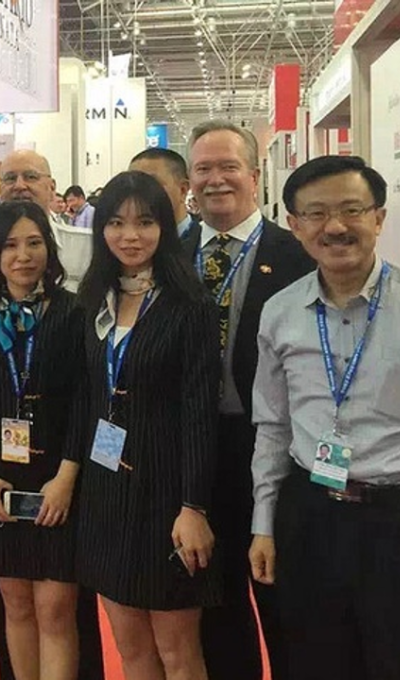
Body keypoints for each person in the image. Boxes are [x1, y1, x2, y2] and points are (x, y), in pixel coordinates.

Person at [250, 155, 400, 680]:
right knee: (314, 660)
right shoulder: (281, 311)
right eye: (316, 214)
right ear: (294, 226)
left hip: (391, 516)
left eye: (351, 210)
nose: (335, 227)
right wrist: (263, 525)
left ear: (378, 217)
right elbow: (273, 426)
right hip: (310, 514)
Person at [72, 170, 221, 680]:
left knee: (178, 653)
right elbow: (87, 397)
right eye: (116, 222)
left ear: (166, 227)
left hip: (167, 497)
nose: (130, 235)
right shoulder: (94, 300)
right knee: (131, 647)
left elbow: (199, 411)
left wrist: (193, 506)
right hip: (105, 492)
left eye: (145, 222)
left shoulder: (190, 306)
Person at [184, 120, 314, 680]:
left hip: (272, 448)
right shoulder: (171, 254)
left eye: (228, 166)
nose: (215, 179)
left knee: (282, 596)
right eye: (203, 169)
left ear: (255, 175)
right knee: (214, 603)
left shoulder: (295, 255)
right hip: (194, 451)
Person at [0, 201, 84, 680]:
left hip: (57, 482)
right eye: (10, 245)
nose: (23, 256)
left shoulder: (73, 312)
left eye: (34, 243)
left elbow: (84, 402)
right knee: (15, 605)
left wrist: (66, 479)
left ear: (50, 249)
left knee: (55, 609)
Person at [0, 150, 94, 298]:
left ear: (52, 188)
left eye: (31, 177)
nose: (19, 186)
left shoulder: (86, 246)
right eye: (10, 178)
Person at [129, 148, 194, 238]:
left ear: (183, 190)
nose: (139, 192)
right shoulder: (122, 242)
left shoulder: (204, 242)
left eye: (151, 183)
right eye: (133, 185)